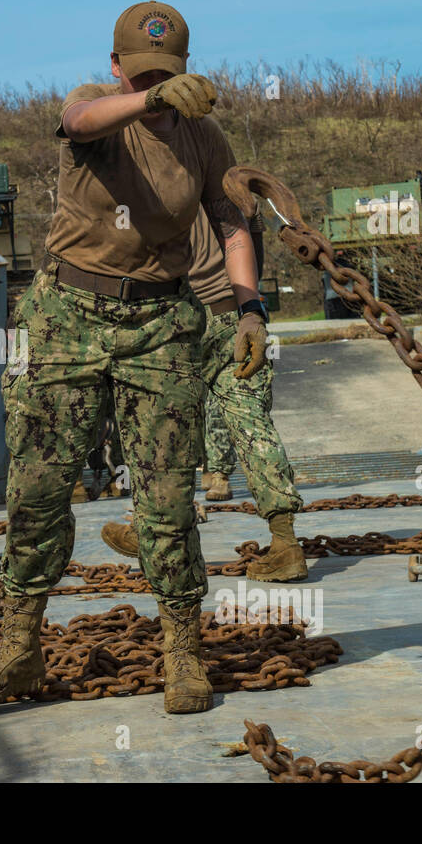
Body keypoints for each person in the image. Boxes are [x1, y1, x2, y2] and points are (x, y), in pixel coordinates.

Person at [0, 1, 268, 715]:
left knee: (165, 498)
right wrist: (145, 99)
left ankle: (183, 651)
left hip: (159, 320)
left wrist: (248, 307)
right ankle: (19, 648)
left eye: (171, 75)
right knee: (37, 489)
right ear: (117, 65)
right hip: (66, 313)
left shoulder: (204, 139)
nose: (160, 89)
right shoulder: (95, 106)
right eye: (146, 72)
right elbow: (80, 120)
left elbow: (230, 223)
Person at [101, 207, 309, 583]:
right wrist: (251, 312)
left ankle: (153, 536)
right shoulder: (224, 186)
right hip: (234, 318)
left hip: (179, 324)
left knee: (161, 433)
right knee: (253, 427)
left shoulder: (157, 186)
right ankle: (285, 544)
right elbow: (253, 244)